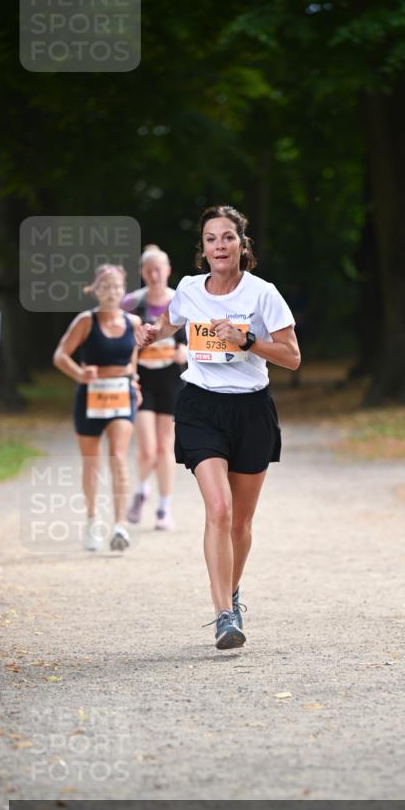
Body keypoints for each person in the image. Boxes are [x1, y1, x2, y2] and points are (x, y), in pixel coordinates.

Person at [134, 206, 300, 649]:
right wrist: (153, 333)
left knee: (241, 524)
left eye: (228, 238)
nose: (220, 246)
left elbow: (292, 355)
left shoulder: (263, 294)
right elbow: (171, 321)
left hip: (250, 411)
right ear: (202, 249)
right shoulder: (189, 288)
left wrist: (247, 341)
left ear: (242, 247)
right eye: (211, 239)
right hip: (200, 407)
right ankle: (225, 614)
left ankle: (232, 589)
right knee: (220, 510)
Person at [53, 264, 142, 551]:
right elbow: (61, 356)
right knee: (91, 462)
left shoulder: (134, 323)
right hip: (90, 397)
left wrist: (135, 382)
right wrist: (80, 374)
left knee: (118, 456)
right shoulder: (85, 321)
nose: (112, 292)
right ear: (95, 290)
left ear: (124, 290)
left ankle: (120, 527)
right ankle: (92, 521)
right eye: (106, 287)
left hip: (121, 396)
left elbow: (133, 362)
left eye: (117, 287)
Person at [122, 245, 187, 531]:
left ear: (168, 270)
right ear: (142, 274)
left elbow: (199, 336)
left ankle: (163, 509)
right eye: (149, 270)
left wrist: (186, 351)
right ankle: (142, 489)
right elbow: (119, 337)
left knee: (164, 448)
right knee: (147, 449)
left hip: (173, 380)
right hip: (143, 380)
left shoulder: (181, 301)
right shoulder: (132, 303)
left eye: (159, 268)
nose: (155, 274)